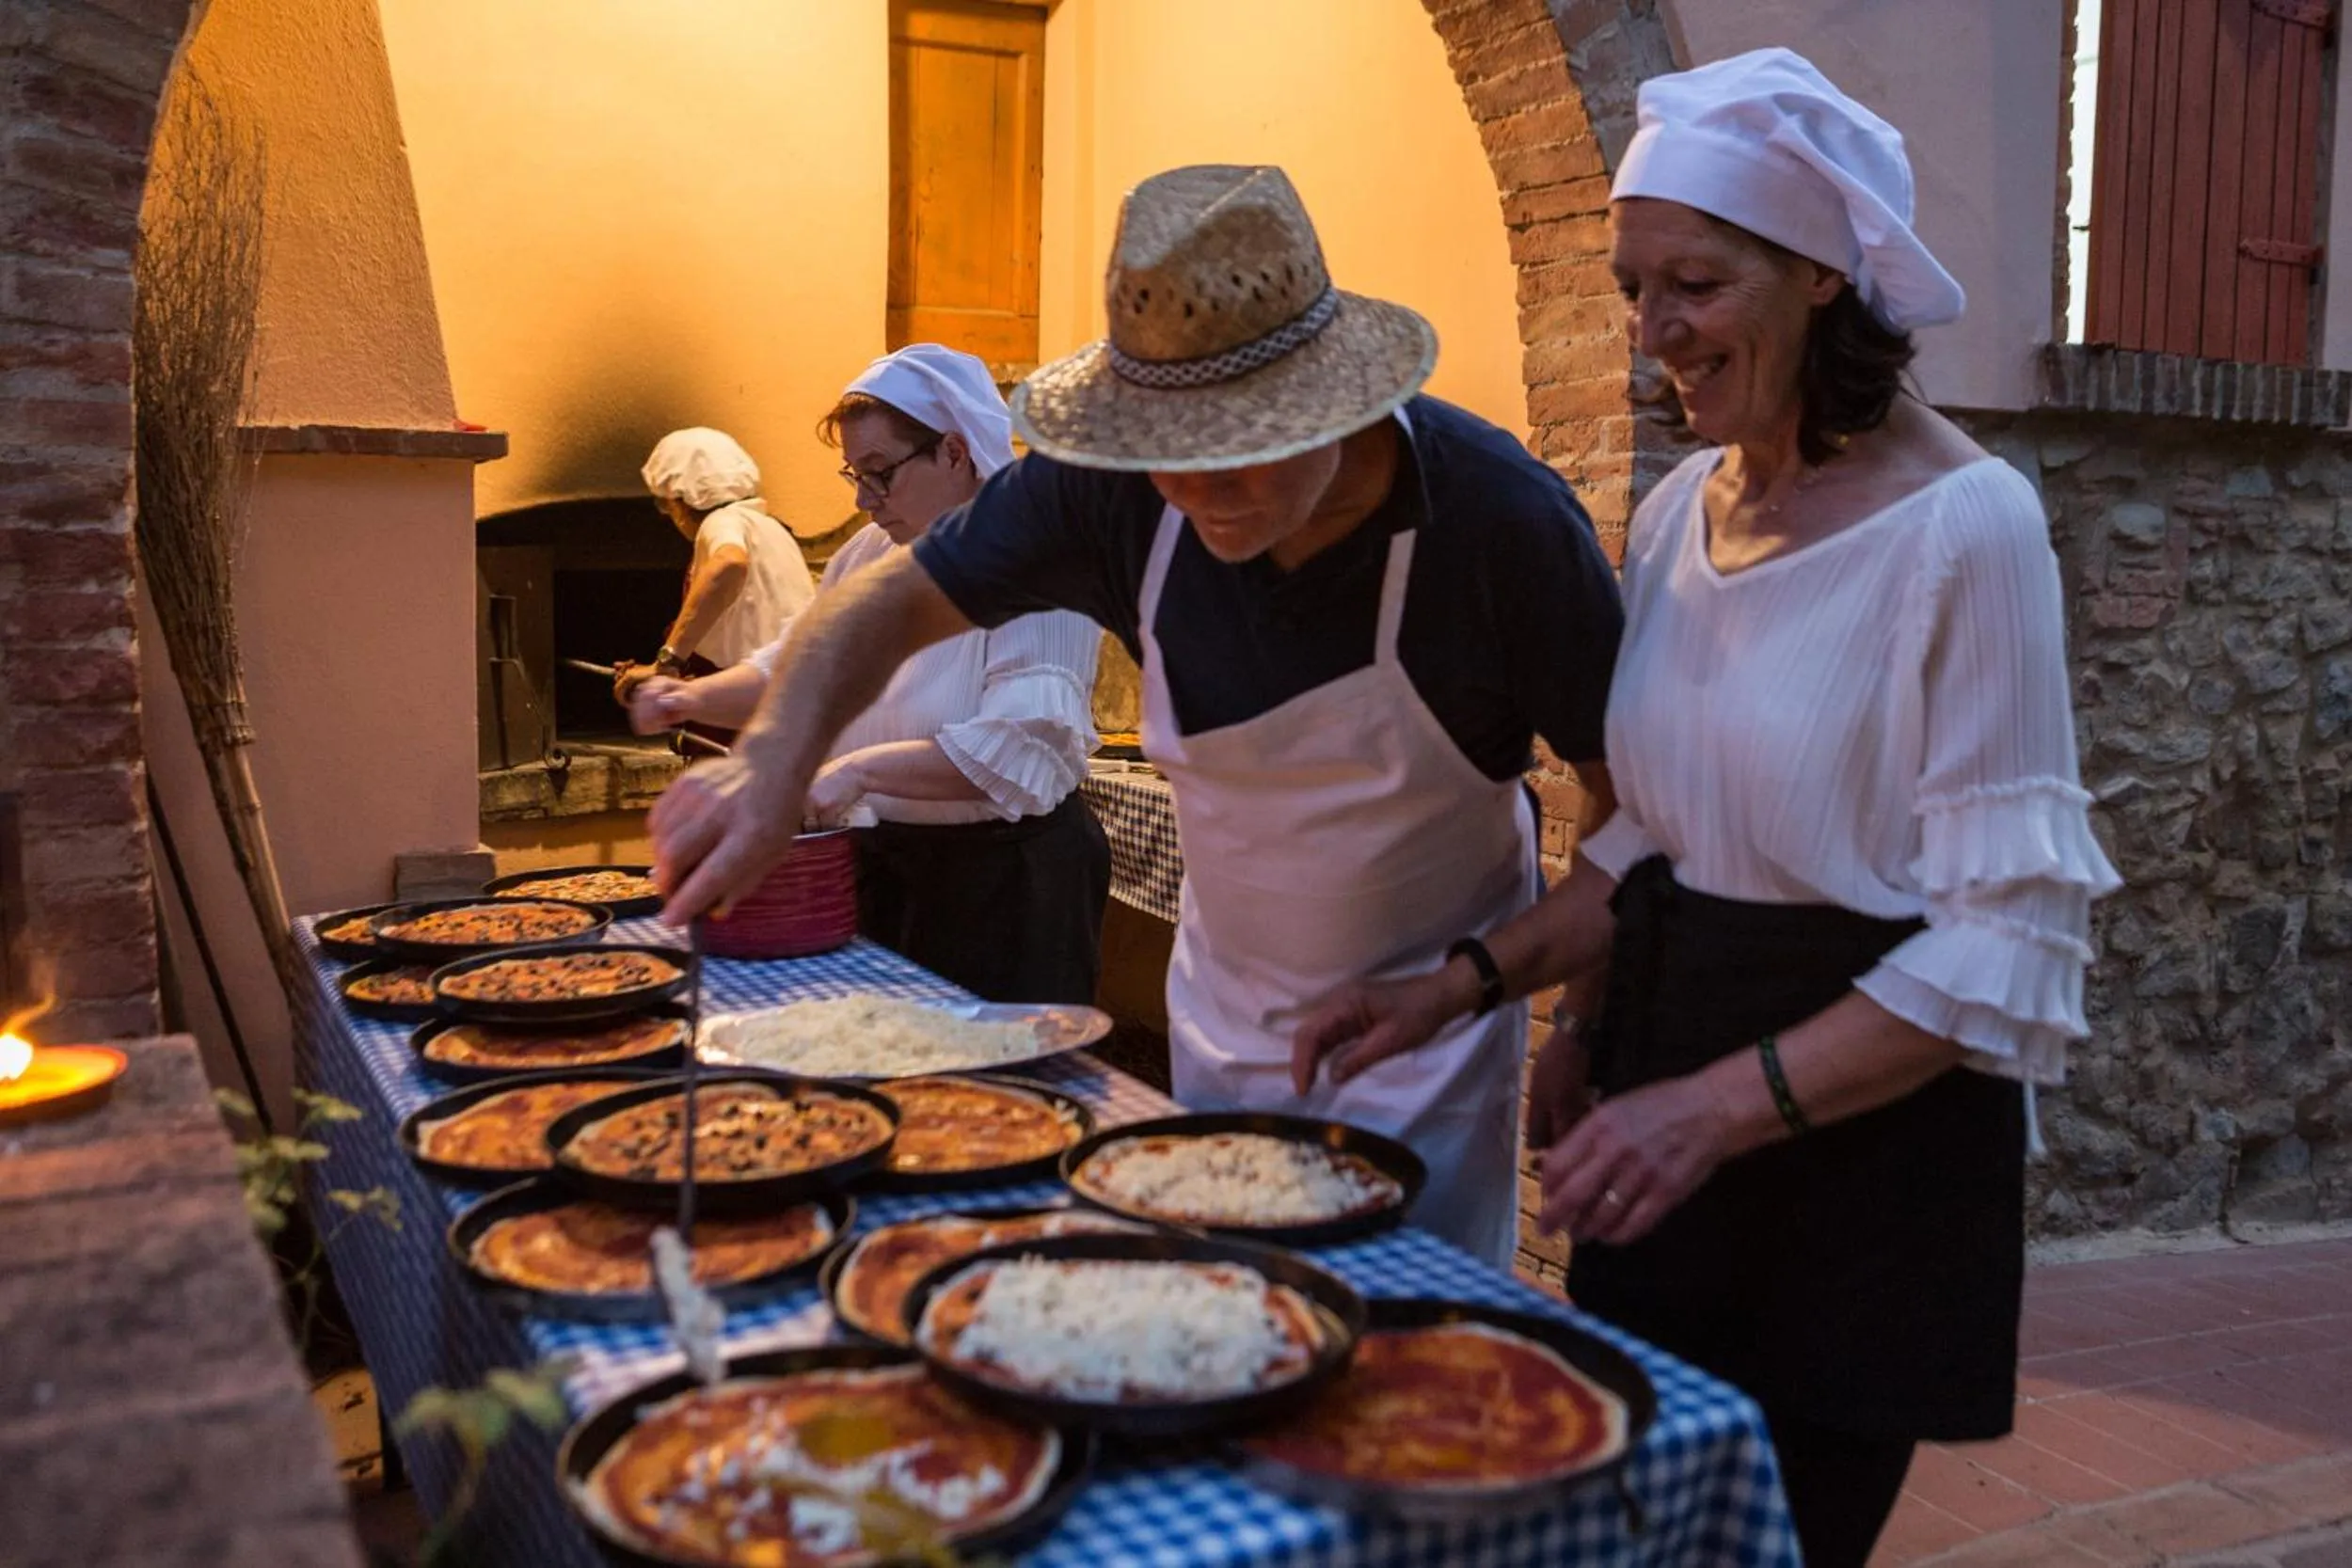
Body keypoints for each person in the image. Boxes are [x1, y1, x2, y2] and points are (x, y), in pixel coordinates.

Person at [1293, 49, 2122, 1567]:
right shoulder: (1681, 512)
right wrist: (1481, 996)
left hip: (1853, 1148)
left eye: (1693, 283)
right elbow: (1654, 833)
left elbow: (2008, 941)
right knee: (1639, 1520)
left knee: (1778, 1536)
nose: (1652, 330)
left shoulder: (1969, 530)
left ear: (1820, 273)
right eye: (1630, 287)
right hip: (1666, 1113)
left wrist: (1716, 1104)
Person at [646, 166, 1624, 1265]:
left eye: (1236, 453)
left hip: (1424, 1055)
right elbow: (878, 603)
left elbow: (1635, 823)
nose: (1196, 494)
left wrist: (1539, 1006)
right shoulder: (1107, 488)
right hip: (1219, 1021)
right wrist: (775, 759)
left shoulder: (1501, 526)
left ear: (1332, 399)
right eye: (1168, 458)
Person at [628, 346, 1109, 1005]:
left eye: (880, 472)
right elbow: (802, 665)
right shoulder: (876, 548)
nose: (863, 497)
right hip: (892, 862)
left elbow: (1013, 748)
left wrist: (855, 771)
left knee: (991, 1087)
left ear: (955, 451)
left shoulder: (1042, 563)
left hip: (1005, 882)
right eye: (854, 474)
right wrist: (687, 696)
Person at [619, 428, 817, 736]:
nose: (667, 515)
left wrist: (667, 662)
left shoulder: (721, 522)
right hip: (792, 698)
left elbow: (729, 564)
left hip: (753, 708)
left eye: (665, 504)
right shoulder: (770, 527)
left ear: (682, 500)